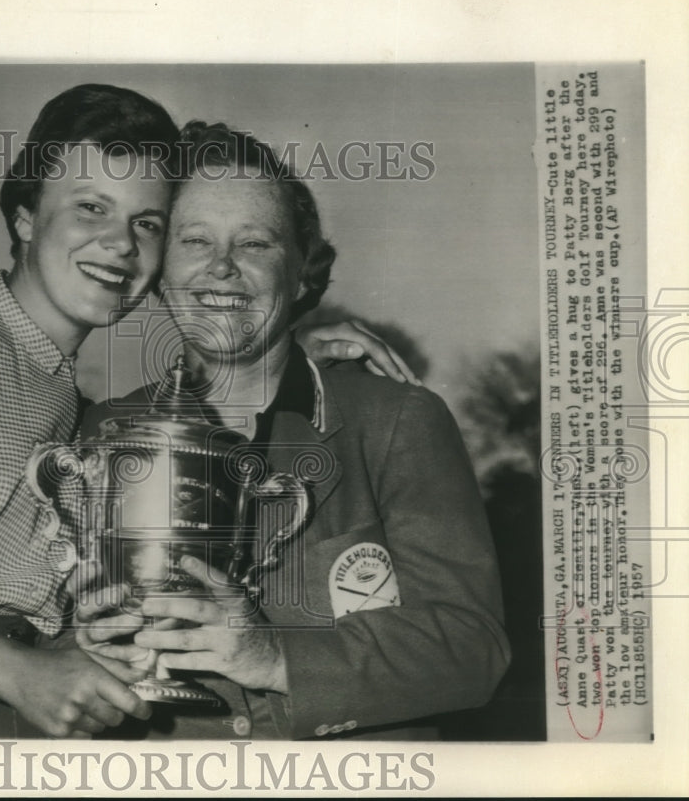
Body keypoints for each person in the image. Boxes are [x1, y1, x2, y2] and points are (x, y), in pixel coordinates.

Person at [0, 84, 409, 739]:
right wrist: (18, 672)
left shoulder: (78, 409)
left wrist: (281, 351)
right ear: (24, 217)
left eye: (147, 223)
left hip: (27, 719)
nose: (120, 243)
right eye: (91, 207)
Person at [76, 122, 511, 740]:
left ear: (304, 273)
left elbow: (475, 648)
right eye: (194, 239)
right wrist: (84, 637)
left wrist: (276, 657)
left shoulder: (394, 423)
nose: (221, 267)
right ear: (156, 272)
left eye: (255, 244)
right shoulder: (104, 430)